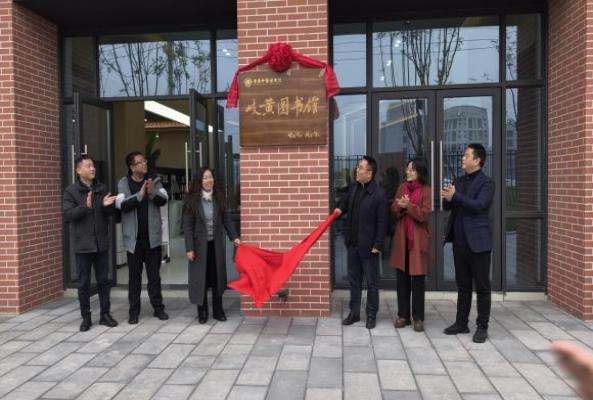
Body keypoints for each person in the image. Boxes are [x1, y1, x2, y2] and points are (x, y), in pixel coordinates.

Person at [441, 143, 495, 343]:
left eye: (466, 155)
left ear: (477, 160)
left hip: (478, 243)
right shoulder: (458, 180)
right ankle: (461, 323)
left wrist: (456, 196)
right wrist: (447, 197)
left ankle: (482, 327)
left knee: (482, 287)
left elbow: (479, 206)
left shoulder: (487, 183)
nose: (462, 158)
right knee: (463, 286)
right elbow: (450, 206)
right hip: (460, 243)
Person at [63, 155, 118, 331]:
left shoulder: (102, 188)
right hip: (83, 245)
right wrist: (85, 207)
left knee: (104, 281)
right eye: (88, 166)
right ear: (78, 170)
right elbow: (68, 215)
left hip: (101, 243)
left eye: (93, 165)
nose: (93, 168)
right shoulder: (71, 191)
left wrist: (108, 206)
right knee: (83, 283)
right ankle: (86, 317)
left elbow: (110, 214)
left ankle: (105, 315)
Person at [334, 156, 389, 330]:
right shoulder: (353, 188)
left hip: (369, 247)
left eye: (360, 167)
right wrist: (338, 210)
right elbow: (343, 205)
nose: (357, 170)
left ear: (370, 173)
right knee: (354, 281)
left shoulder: (379, 194)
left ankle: (371, 314)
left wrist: (378, 245)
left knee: (372, 283)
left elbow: (383, 223)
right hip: (353, 244)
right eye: (358, 167)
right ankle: (354, 313)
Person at [116, 151, 169, 324]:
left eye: (144, 161)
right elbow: (121, 204)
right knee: (134, 278)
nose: (144, 164)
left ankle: (158, 309)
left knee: (154, 277)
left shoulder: (154, 179)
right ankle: (134, 312)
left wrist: (152, 192)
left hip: (152, 239)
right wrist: (139, 196)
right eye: (140, 162)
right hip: (134, 241)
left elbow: (164, 199)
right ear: (132, 167)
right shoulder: (124, 183)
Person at [182, 167, 240, 323]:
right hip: (199, 247)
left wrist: (234, 237)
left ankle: (218, 310)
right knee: (201, 279)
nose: (209, 180)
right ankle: (202, 311)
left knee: (217, 278)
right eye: (205, 178)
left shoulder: (219, 197)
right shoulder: (191, 200)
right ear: (199, 181)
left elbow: (226, 219)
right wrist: (189, 248)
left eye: (211, 177)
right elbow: (187, 226)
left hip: (216, 245)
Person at [389, 158, 432, 332]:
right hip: (402, 240)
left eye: (412, 169)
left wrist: (409, 206)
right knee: (402, 280)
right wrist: (400, 206)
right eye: (407, 169)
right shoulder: (402, 188)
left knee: (418, 281)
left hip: (417, 240)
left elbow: (424, 214)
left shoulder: (426, 190)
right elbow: (393, 208)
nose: (408, 171)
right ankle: (403, 315)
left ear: (419, 172)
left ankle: (418, 318)